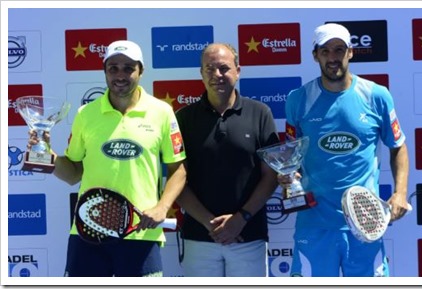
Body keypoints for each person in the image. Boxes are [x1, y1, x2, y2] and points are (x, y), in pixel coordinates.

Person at [27, 40, 187, 277]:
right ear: (105, 72)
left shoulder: (161, 112)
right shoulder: (86, 114)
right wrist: (46, 155)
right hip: (88, 230)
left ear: (140, 71)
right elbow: (72, 174)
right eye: (113, 68)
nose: (120, 75)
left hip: (141, 233)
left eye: (128, 68)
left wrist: (163, 207)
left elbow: (178, 170)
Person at [281, 23, 410, 277]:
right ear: (315, 55)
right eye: (325, 51)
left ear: (351, 52)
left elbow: (399, 146)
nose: (333, 58)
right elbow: (290, 155)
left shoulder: (376, 95)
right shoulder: (298, 99)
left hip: (366, 223)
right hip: (314, 224)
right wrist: (288, 175)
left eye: (339, 49)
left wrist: (401, 192)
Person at [175, 43, 280, 277]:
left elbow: (271, 176)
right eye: (209, 69)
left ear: (238, 70)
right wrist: (210, 223)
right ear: (201, 73)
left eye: (224, 68)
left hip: (248, 236)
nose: (217, 75)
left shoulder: (260, 113)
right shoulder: (183, 118)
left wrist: (240, 219)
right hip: (199, 237)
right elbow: (176, 180)